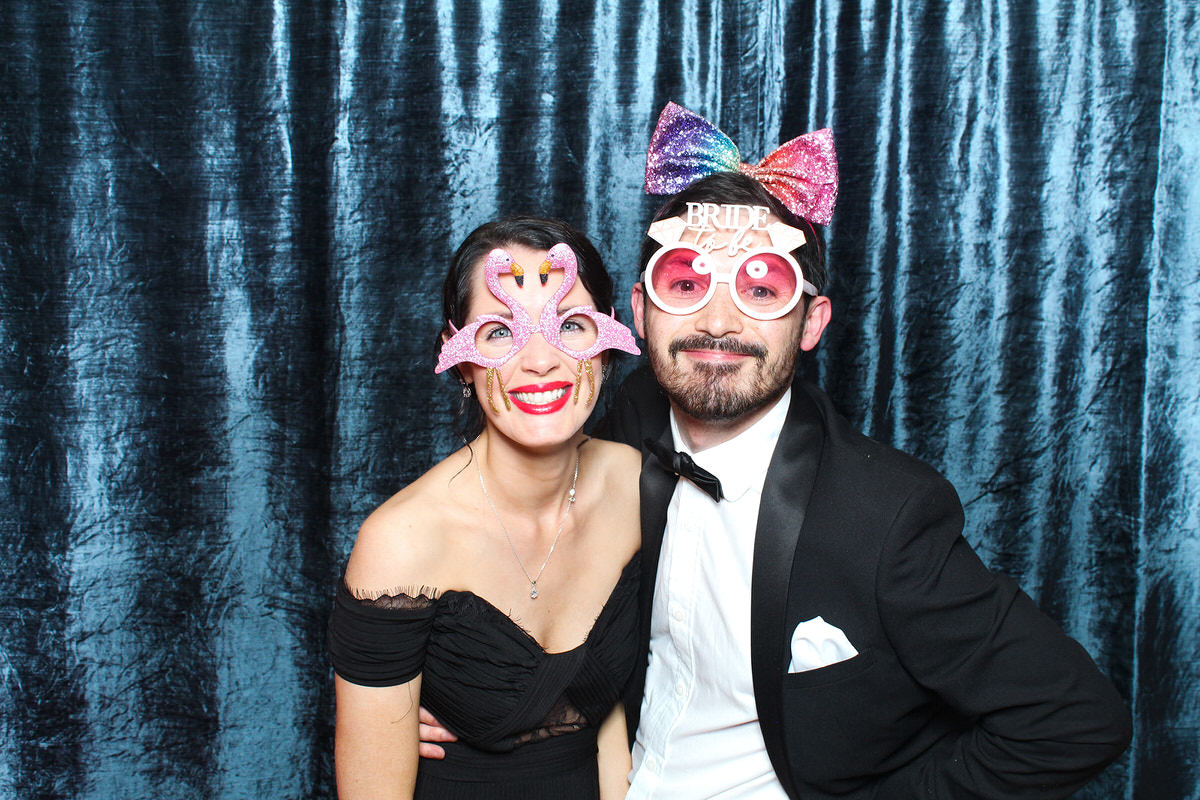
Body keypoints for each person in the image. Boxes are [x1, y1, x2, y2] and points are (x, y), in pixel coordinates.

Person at [599, 103, 1132, 798]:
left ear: (811, 322)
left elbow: (1075, 721)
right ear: (640, 313)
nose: (720, 321)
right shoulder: (618, 429)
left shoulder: (883, 515)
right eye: (687, 285)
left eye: (762, 289)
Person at [327, 216, 643, 799]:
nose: (540, 361)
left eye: (570, 325)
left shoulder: (636, 487)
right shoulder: (403, 542)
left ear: (607, 346)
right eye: (501, 333)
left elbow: (611, 719)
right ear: (462, 361)